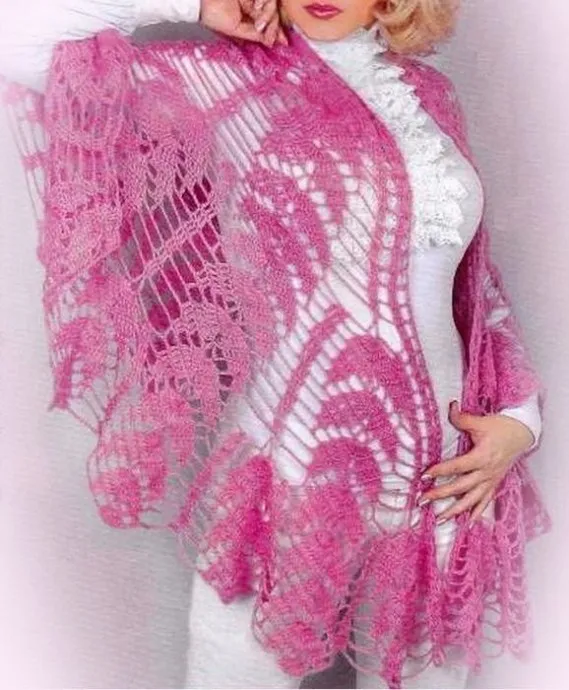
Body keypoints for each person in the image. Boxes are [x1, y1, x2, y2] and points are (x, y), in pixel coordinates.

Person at [0, 1, 550, 688]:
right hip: (286, 461)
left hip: (443, 474)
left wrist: (518, 423)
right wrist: (194, 3)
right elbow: (16, 35)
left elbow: (473, 285)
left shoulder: (429, 94)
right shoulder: (214, 78)